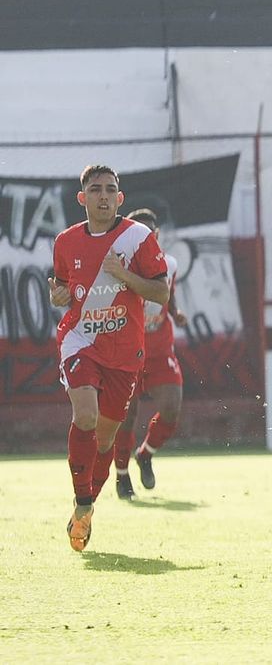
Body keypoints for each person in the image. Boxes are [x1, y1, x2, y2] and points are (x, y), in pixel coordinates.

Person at [49, 165, 169, 551]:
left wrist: (124, 275)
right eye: (95, 189)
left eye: (110, 190)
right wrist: (59, 297)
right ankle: (83, 499)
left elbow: (161, 293)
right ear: (82, 198)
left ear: (120, 199)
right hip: (80, 339)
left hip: (124, 352)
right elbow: (66, 288)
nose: (103, 195)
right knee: (84, 415)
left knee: (105, 440)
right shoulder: (65, 242)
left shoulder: (137, 237)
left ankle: (85, 510)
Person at [112, 209, 187, 500]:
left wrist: (176, 312)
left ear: (156, 236)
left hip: (159, 349)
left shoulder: (169, 263)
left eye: (150, 233)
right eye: (139, 232)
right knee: (126, 417)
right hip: (127, 351)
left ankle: (145, 454)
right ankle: (121, 475)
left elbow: (168, 293)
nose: (146, 237)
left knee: (172, 407)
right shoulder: (119, 266)